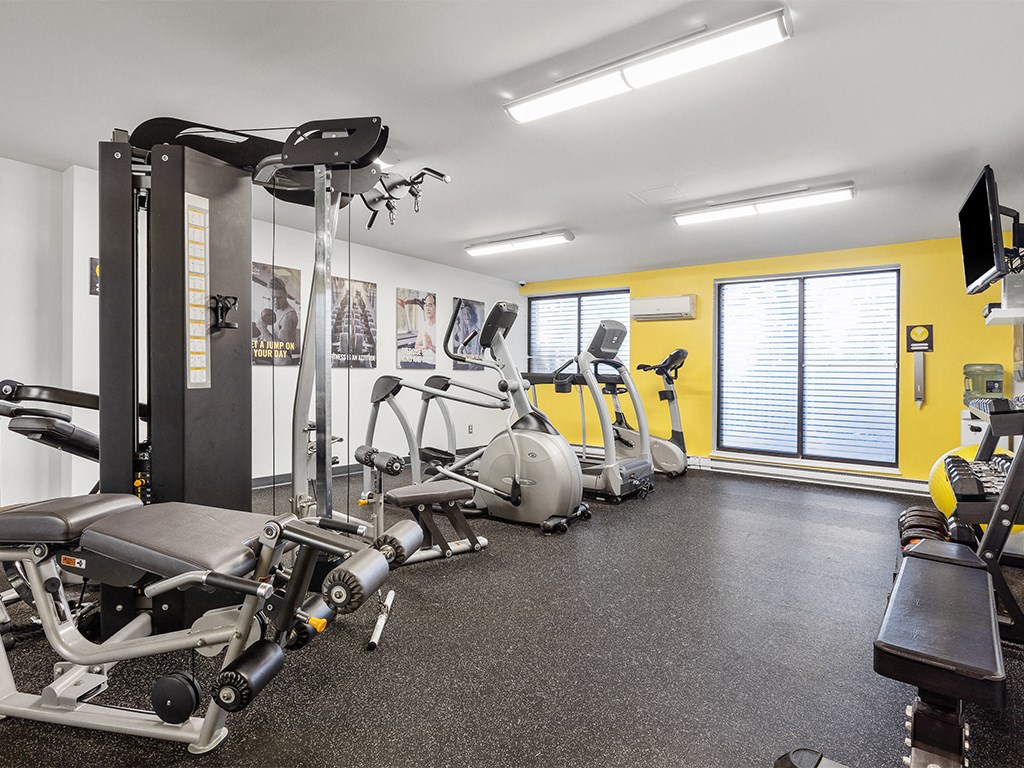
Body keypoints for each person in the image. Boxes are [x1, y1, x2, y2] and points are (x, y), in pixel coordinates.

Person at [259, 276, 300, 363]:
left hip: (282, 357)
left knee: (281, 358)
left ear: (285, 295)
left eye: (279, 298)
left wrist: (263, 330)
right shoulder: (275, 308)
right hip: (270, 352)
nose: (276, 302)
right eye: (273, 297)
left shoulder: (289, 316)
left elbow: (282, 347)